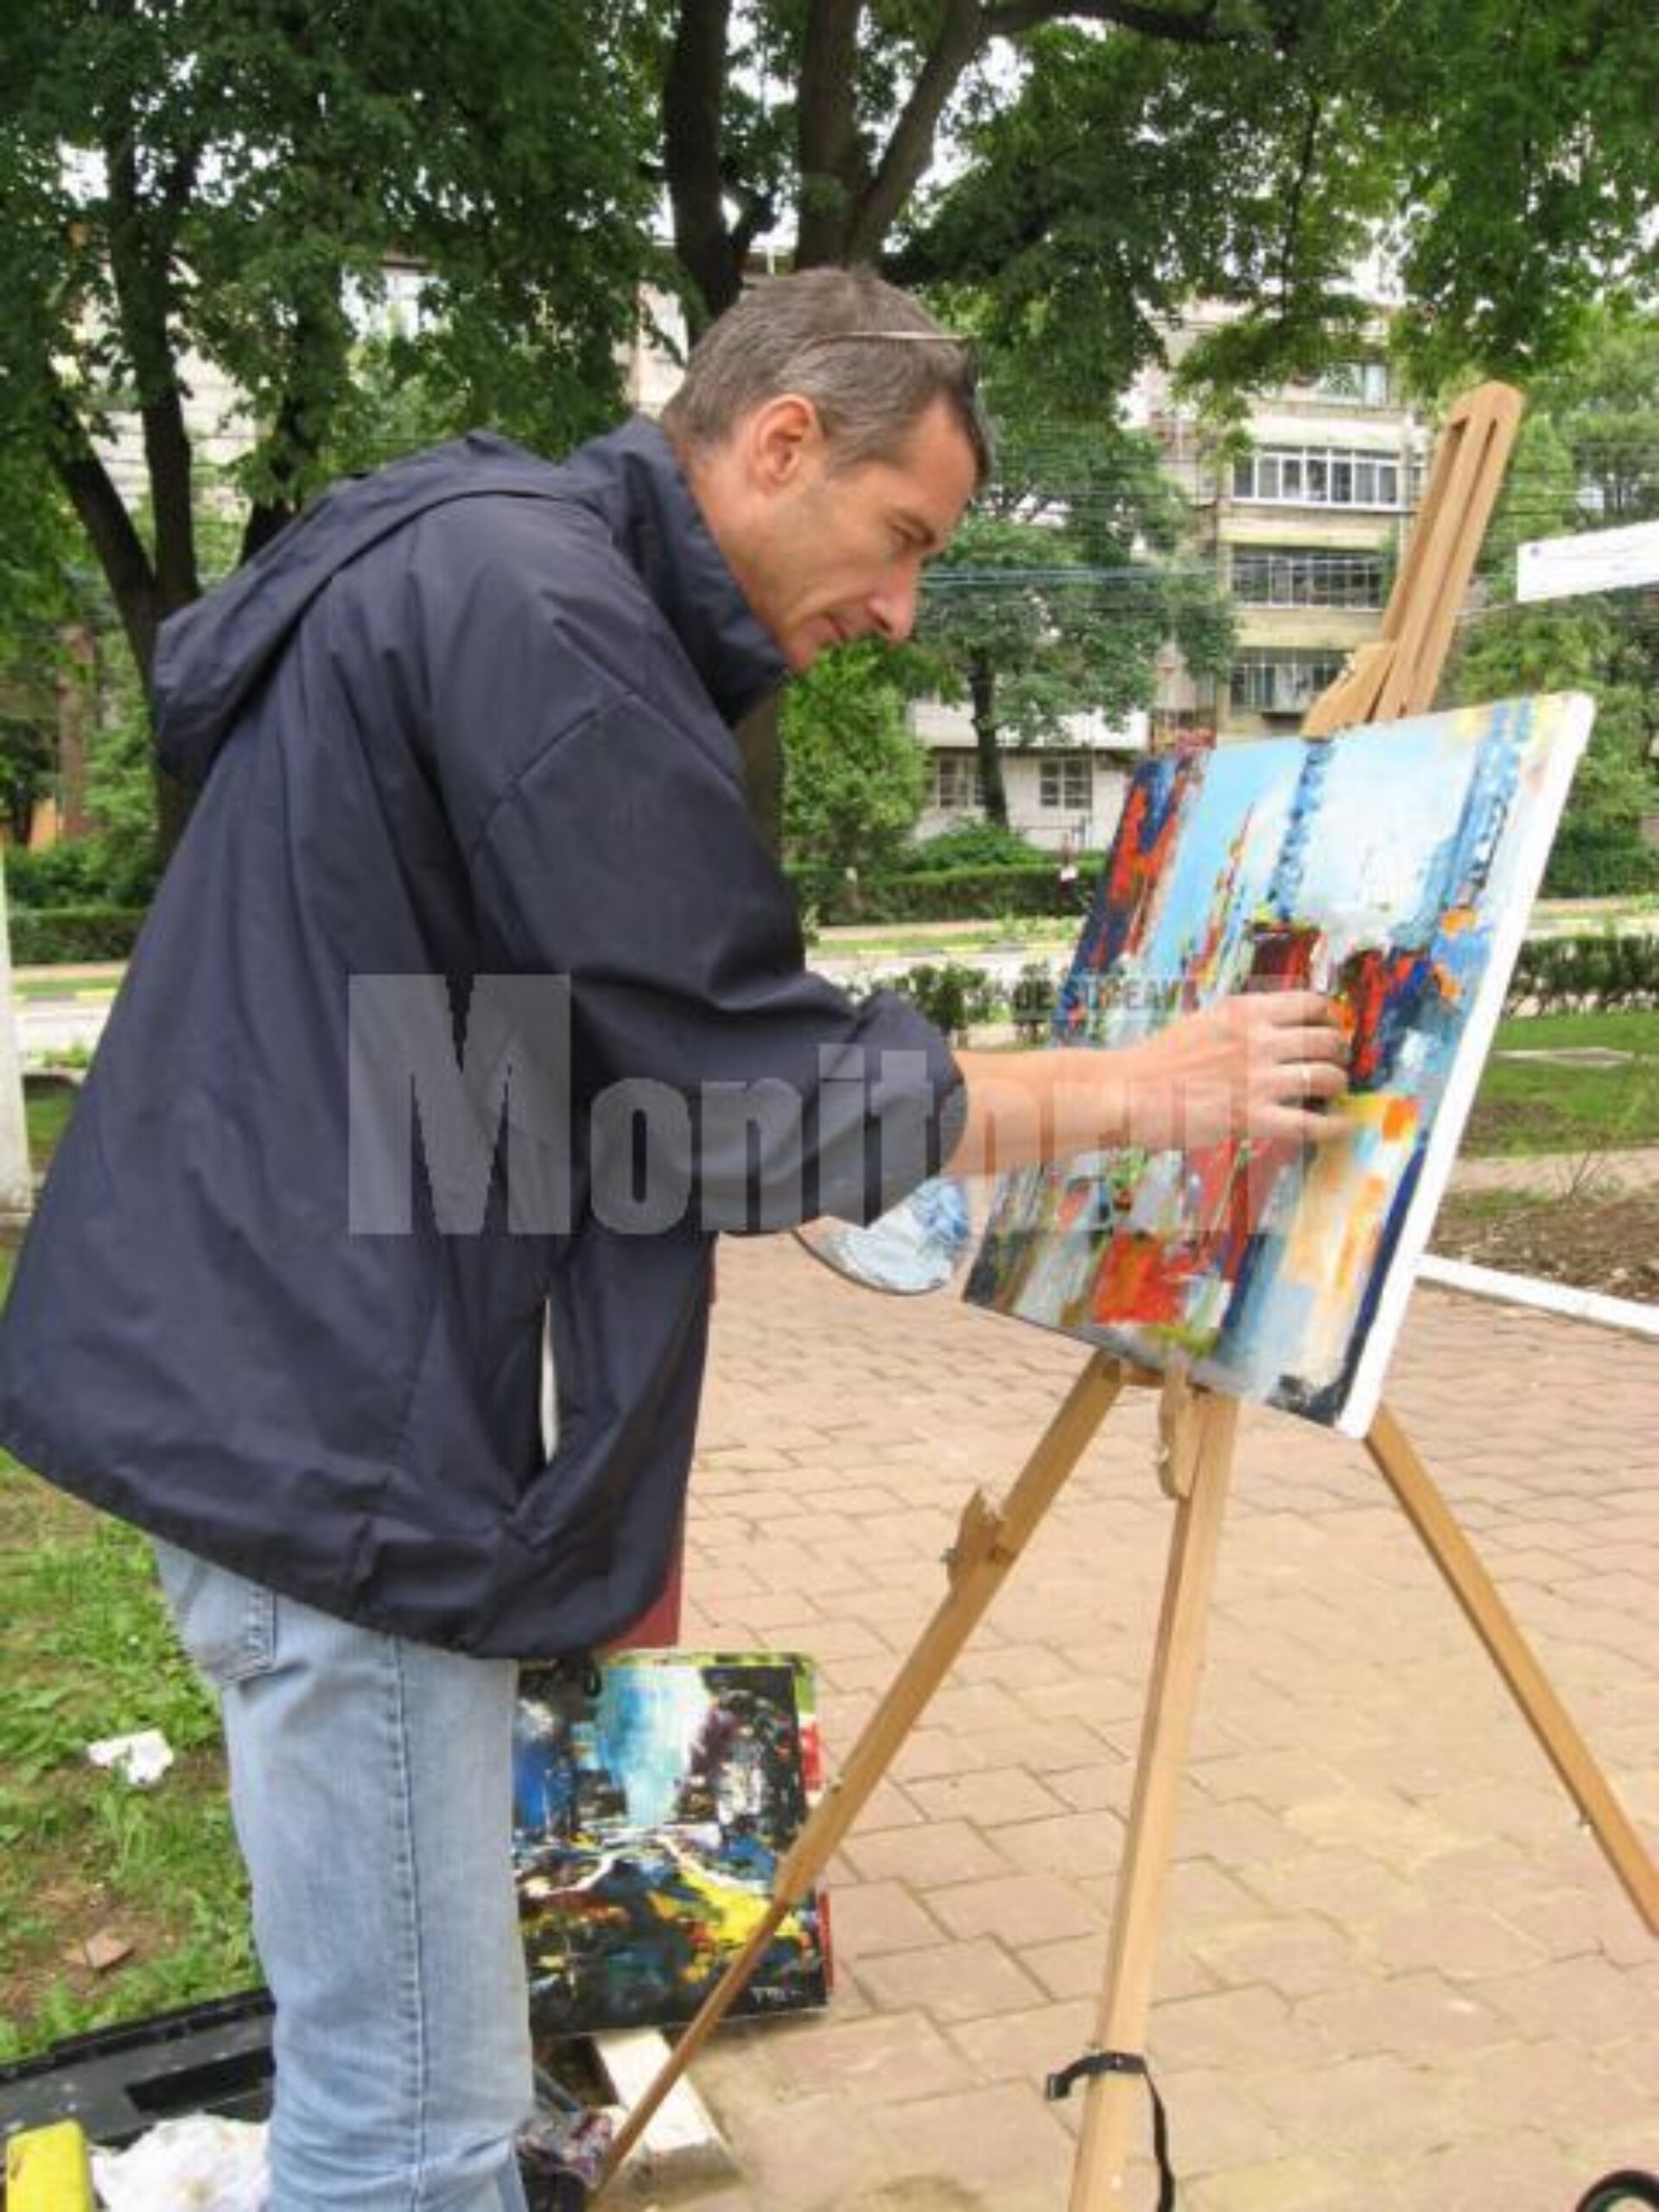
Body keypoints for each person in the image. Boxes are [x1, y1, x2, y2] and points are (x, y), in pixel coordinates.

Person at [0, 267, 1348, 2210]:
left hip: (276, 1392)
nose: (900, 609)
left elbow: (484, 1045)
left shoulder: (478, 564)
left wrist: (697, 1173)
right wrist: (1147, 1088)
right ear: (782, 442)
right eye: (904, 538)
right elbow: (732, 1075)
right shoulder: (546, 617)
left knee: (408, 2082)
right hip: (334, 1454)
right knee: (410, 2134)